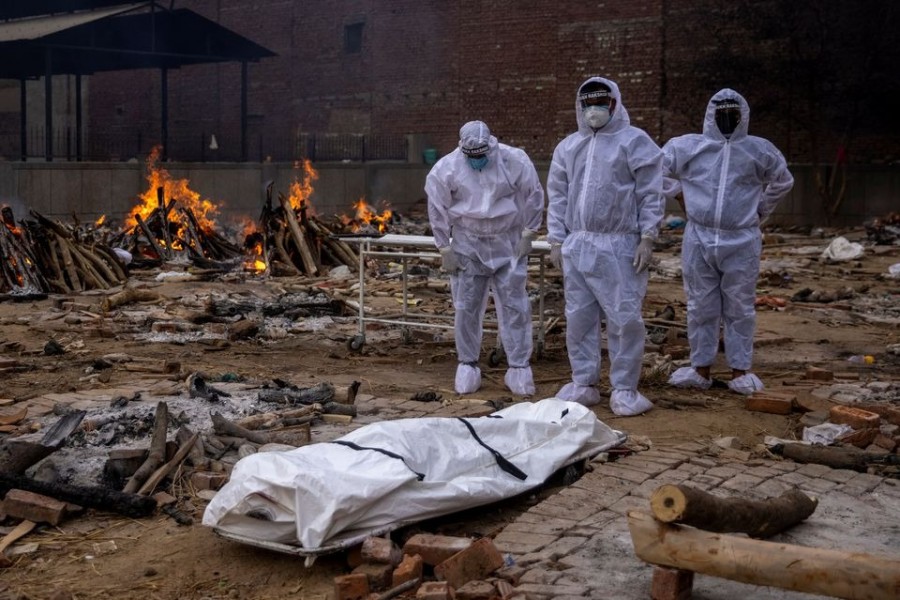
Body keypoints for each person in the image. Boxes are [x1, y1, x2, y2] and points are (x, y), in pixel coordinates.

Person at [663, 89, 794, 395]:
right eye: (720, 114)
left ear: (742, 116)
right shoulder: (689, 147)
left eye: (732, 115)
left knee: (740, 305)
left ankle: (740, 370)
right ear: (711, 116)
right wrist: (679, 194)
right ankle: (701, 368)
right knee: (700, 304)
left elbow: (783, 180)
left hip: (742, 238)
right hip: (699, 235)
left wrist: (760, 208)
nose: (726, 121)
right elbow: (654, 169)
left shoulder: (758, 151)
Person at [546, 77, 663, 416]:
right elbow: (558, 195)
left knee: (624, 317)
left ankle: (625, 389)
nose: (594, 110)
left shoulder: (635, 142)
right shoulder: (569, 146)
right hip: (578, 242)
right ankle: (584, 382)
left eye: (601, 103)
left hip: (619, 244)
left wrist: (647, 236)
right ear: (579, 107)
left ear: (615, 104)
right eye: (588, 104)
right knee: (579, 316)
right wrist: (556, 237)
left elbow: (649, 192)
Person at [426, 120, 545, 396]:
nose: (478, 160)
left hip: (508, 241)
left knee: (515, 305)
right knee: (466, 307)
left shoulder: (513, 160)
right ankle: (467, 364)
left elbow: (533, 193)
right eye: (473, 156)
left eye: (482, 154)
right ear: (462, 150)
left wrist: (529, 231)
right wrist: (444, 247)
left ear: (491, 145)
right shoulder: (447, 168)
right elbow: (437, 206)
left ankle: (518, 368)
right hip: (469, 243)